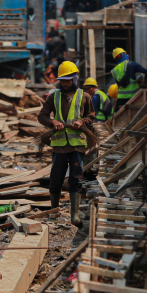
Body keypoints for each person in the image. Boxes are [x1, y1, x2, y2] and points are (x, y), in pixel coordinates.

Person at [37, 61, 95, 227]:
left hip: (77, 146)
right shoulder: (54, 97)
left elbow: (91, 117)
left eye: (68, 80)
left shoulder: (85, 97)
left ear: (75, 79)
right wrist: (53, 122)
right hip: (60, 146)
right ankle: (54, 214)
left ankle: (74, 215)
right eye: (62, 80)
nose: (65, 83)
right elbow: (42, 116)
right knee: (55, 181)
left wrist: (82, 122)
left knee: (75, 180)